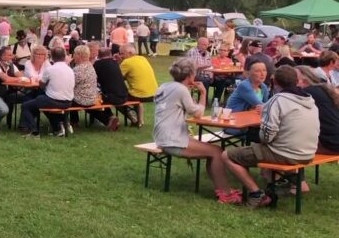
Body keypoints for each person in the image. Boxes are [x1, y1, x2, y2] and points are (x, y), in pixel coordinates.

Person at [220, 66, 320, 208]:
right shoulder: (310, 101)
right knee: (272, 146)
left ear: (275, 82)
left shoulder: (278, 100)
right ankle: (289, 181)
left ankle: (257, 194)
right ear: (297, 81)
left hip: (285, 153)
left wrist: (262, 136)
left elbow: (267, 136)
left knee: (227, 155)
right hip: (308, 152)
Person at [152, 58, 239, 204]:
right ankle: (225, 193)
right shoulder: (181, 89)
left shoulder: (164, 86)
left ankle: (223, 189)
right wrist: (203, 94)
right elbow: (197, 113)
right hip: (173, 139)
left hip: (161, 136)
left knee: (213, 151)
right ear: (191, 74)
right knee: (217, 152)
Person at [20, 47, 74, 137]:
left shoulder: (50, 69)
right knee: (40, 100)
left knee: (26, 106)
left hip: (53, 100)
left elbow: (41, 84)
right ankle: (58, 127)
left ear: (51, 57)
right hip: (68, 101)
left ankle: (34, 132)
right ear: (64, 57)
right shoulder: (70, 69)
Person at [69, 45, 116, 130]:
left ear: (79, 55)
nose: (73, 56)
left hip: (80, 99)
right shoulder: (90, 66)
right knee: (89, 107)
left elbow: (69, 85)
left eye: (75, 54)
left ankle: (73, 122)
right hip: (92, 97)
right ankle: (108, 120)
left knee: (67, 99)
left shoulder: (77, 69)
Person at [300, 66, 339, 155]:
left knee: (288, 146)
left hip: (330, 143)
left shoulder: (306, 93)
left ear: (305, 80)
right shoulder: (324, 89)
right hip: (334, 140)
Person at [120, 44, 157, 126]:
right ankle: (141, 121)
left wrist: (117, 61)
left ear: (129, 53)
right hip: (153, 93)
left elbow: (117, 78)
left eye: (122, 53)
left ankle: (134, 118)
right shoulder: (142, 58)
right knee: (137, 98)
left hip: (139, 94)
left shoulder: (126, 62)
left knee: (117, 100)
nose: (120, 56)